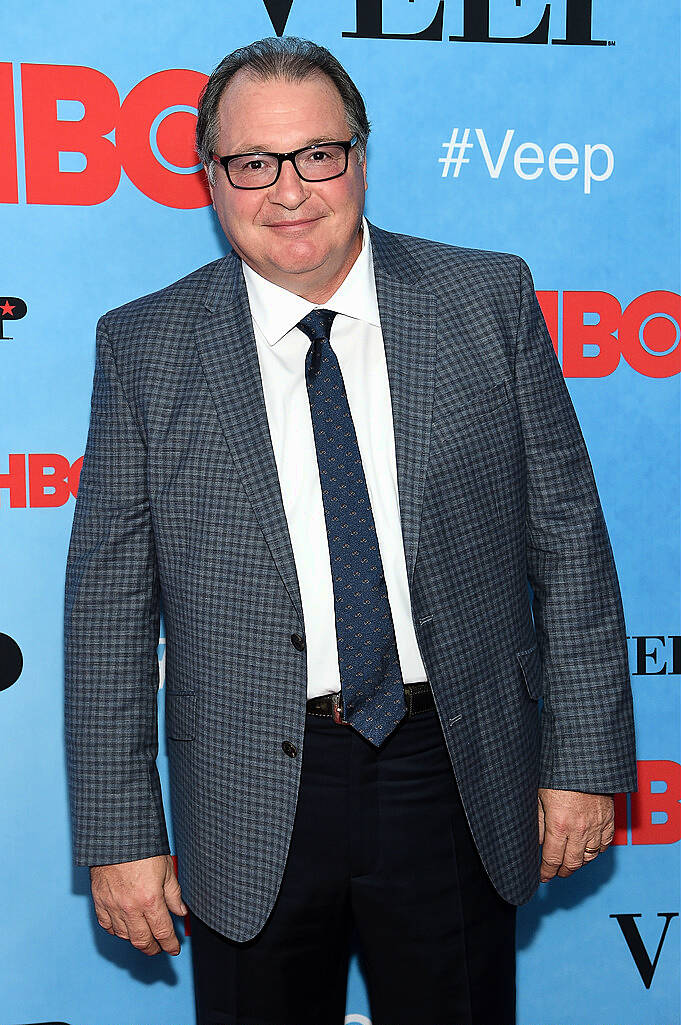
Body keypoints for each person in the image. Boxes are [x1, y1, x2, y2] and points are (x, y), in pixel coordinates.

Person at [64, 35, 637, 1025]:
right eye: (254, 162)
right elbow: (109, 608)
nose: (288, 190)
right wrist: (121, 832)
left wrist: (582, 762)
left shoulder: (486, 299)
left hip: (452, 768)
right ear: (212, 180)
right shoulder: (143, 345)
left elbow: (571, 546)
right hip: (247, 790)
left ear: (361, 157)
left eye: (316, 154)